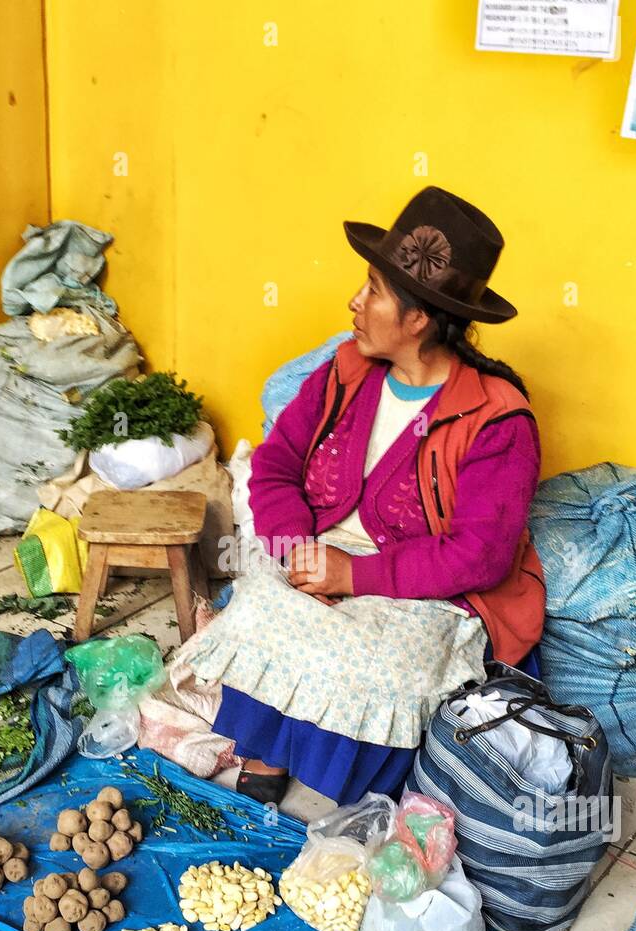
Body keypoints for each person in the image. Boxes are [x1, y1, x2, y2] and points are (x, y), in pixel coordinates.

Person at [174, 186, 544, 805]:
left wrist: (356, 575)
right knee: (263, 606)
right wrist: (295, 547)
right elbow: (276, 465)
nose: (355, 301)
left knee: (377, 659)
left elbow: (480, 554)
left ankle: (348, 786)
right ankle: (267, 749)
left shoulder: (497, 420)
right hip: (321, 548)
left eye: (373, 290)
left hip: (430, 582)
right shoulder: (346, 370)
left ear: (418, 318)